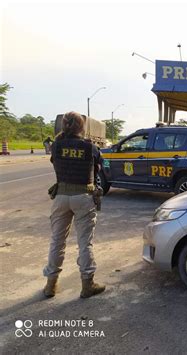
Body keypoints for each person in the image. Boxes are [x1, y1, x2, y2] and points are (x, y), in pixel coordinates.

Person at [43, 111, 105, 299]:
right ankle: (87, 285)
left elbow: (56, 163)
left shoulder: (56, 146)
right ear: (82, 127)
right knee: (85, 243)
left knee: (57, 241)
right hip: (83, 197)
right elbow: (99, 167)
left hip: (61, 197)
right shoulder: (90, 147)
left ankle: (50, 285)